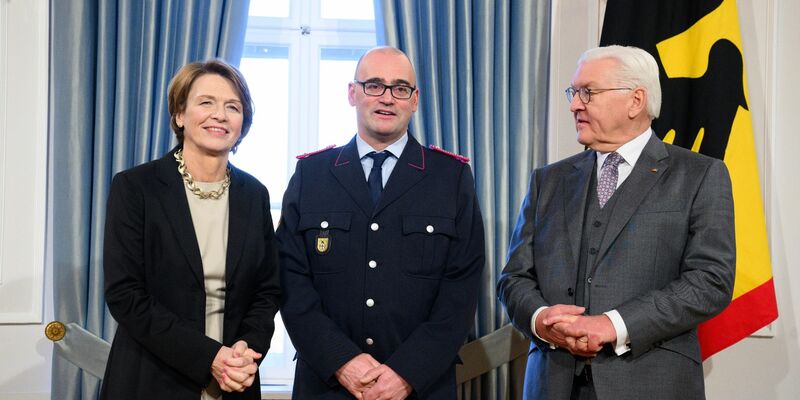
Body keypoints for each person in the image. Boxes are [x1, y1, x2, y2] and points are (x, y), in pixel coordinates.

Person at [497, 45, 736, 400]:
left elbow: (711, 281)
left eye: (588, 93)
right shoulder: (547, 181)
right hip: (552, 384)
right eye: (574, 92)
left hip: (652, 384)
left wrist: (614, 325)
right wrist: (541, 319)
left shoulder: (699, 176)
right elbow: (513, 278)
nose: (574, 104)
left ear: (636, 100)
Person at [276, 46, 485, 399]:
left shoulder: (450, 177)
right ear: (352, 93)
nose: (387, 98)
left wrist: (405, 373)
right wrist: (342, 362)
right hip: (327, 383)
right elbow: (290, 282)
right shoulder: (312, 174)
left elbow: (460, 291)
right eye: (374, 85)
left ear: (415, 100)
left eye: (400, 88)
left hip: (420, 387)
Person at [101, 59, 281, 400]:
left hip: (234, 381)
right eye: (206, 102)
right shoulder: (136, 187)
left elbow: (267, 291)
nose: (220, 115)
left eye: (233, 106)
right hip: (152, 379)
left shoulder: (255, 194)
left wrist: (246, 348)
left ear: (243, 123)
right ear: (180, 115)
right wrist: (209, 357)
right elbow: (126, 295)